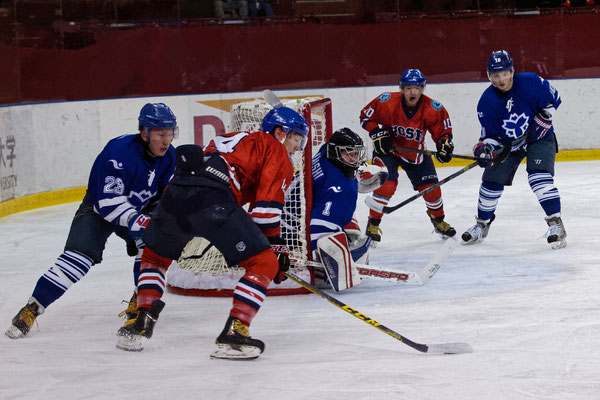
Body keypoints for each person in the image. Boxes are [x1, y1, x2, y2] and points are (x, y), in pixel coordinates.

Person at [115, 106, 309, 359]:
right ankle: (235, 331)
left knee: (154, 258)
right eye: (297, 139)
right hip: (213, 200)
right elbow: (265, 214)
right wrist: (277, 250)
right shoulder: (275, 149)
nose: (298, 148)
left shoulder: (236, 138)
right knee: (263, 264)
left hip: (175, 193)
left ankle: (139, 323)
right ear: (280, 132)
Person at [5, 103, 177, 339]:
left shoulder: (170, 158)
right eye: (160, 134)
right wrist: (140, 221)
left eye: (169, 134)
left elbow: (167, 196)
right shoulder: (118, 154)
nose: (166, 141)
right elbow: (108, 203)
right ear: (144, 133)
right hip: (99, 210)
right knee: (77, 260)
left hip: (139, 211)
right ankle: (31, 309)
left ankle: (140, 303)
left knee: (151, 250)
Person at [461, 50, 566, 249]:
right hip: (509, 144)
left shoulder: (530, 82)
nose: (501, 79)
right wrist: (486, 150)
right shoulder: (486, 101)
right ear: (489, 75)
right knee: (490, 182)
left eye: (505, 73)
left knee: (539, 178)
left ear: (512, 71)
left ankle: (556, 225)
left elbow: (555, 99)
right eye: (496, 75)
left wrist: (544, 118)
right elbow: (489, 136)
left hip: (539, 138)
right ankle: (482, 225)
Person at [360, 68, 456, 245]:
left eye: (417, 88)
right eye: (409, 88)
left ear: (423, 88)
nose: (413, 92)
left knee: (432, 188)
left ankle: (438, 220)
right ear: (402, 88)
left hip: (415, 153)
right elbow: (365, 117)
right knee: (386, 185)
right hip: (388, 150)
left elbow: (443, 133)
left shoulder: (432, 108)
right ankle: (373, 224)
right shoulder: (387, 101)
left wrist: (444, 145)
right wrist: (376, 133)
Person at [308, 127, 387, 291]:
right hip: (293, 230)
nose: (354, 159)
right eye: (349, 154)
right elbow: (318, 227)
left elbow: (338, 172)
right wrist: (326, 264)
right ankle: (317, 272)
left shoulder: (325, 152)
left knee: (348, 222)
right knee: (357, 244)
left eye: (356, 154)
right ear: (337, 153)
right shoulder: (341, 190)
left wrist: (358, 175)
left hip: (293, 208)